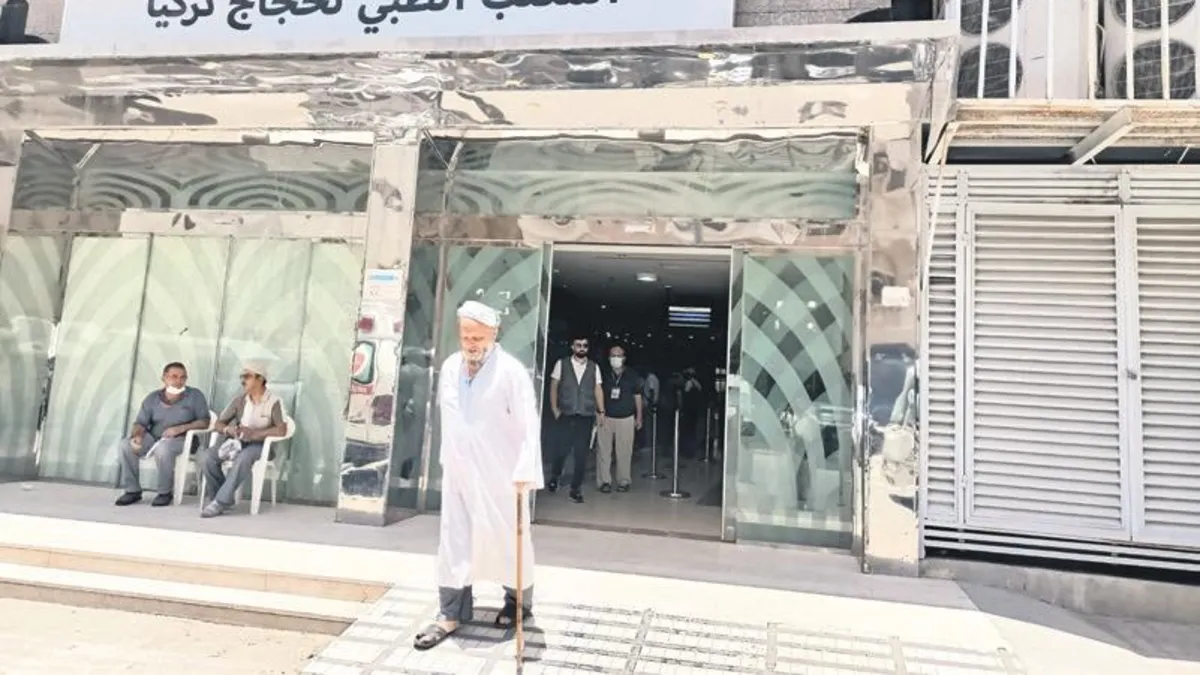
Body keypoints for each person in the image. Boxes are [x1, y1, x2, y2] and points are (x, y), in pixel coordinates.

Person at [412, 301, 542, 651]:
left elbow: (528, 425)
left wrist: (525, 470)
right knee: (454, 543)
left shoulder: (511, 372)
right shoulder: (450, 367)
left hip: (501, 477)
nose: (470, 343)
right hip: (459, 475)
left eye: (478, 337)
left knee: (508, 542)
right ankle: (449, 614)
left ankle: (518, 604)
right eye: (466, 336)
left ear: (494, 334)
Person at [199, 361, 287, 518]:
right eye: (241, 376)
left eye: (247, 376)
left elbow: (281, 430)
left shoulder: (274, 402)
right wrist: (228, 430)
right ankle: (222, 498)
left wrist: (255, 433)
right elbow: (218, 423)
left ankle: (219, 502)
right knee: (207, 457)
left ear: (260, 379)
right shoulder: (239, 401)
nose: (242, 380)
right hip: (237, 443)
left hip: (260, 446)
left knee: (243, 458)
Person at [115, 362, 211, 507]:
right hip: (155, 438)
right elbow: (140, 423)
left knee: (163, 449)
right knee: (125, 445)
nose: (179, 381)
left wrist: (180, 428)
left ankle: (164, 492)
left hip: (182, 439)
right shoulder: (153, 398)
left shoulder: (194, 396)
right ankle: (132, 490)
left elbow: (205, 422)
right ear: (164, 378)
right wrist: (137, 436)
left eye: (183, 377)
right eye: (174, 377)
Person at [547, 333, 605, 503]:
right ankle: (555, 475)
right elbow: (554, 386)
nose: (581, 348)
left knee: (581, 454)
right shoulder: (562, 364)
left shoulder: (594, 367)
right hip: (566, 414)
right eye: (578, 345)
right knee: (561, 450)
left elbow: (598, 389)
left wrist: (601, 411)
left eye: (584, 345)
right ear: (572, 347)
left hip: (585, 416)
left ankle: (575, 489)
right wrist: (554, 408)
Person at [596, 345, 643, 493]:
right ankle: (604, 481)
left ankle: (623, 481)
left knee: (624, 451)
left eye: (619, 355)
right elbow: (597, 392)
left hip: (626, 418)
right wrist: (599, 412)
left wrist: (639, 417)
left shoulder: (632, 375)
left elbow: (637, 396)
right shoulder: (603, 373)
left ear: (624, 358)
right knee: (603, 451)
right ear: (609, 357)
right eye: (613, 355)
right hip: (605, 417)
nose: (615, 358)